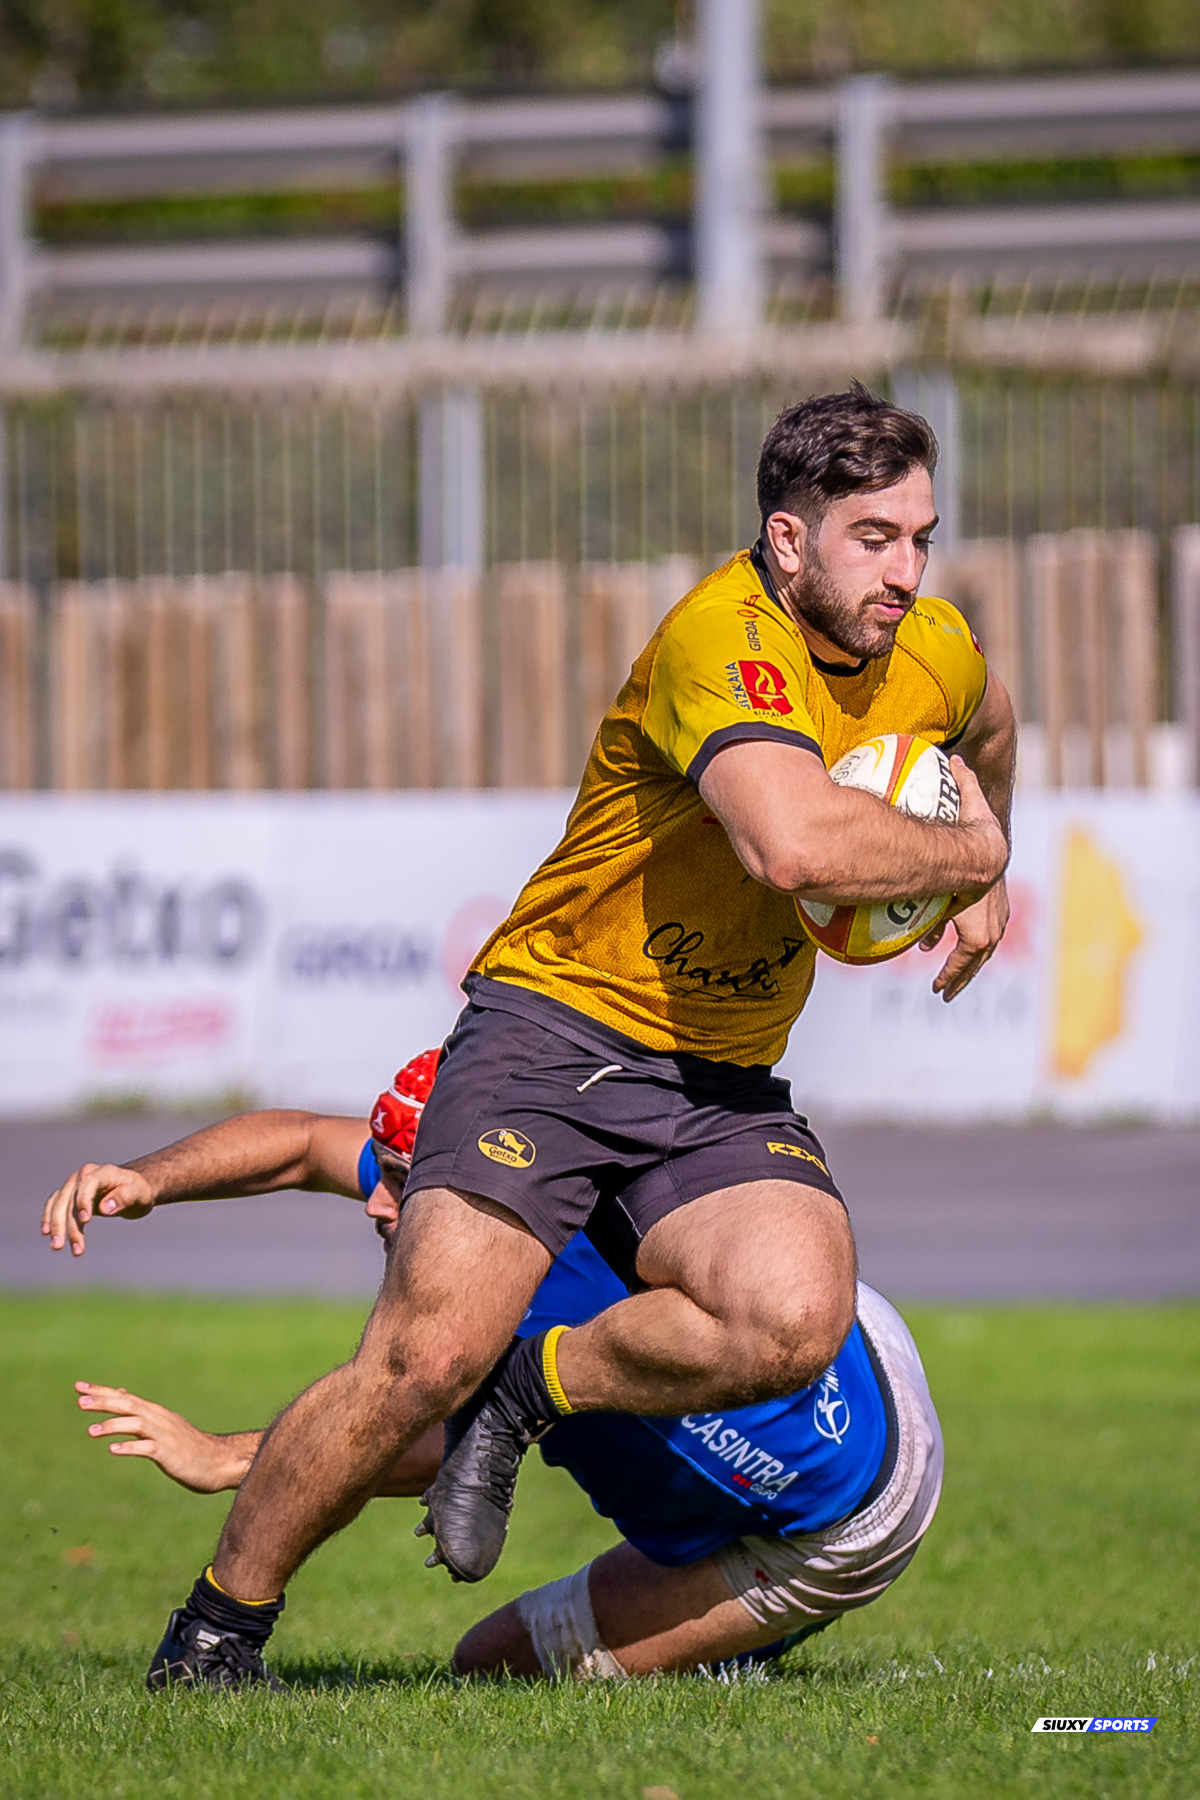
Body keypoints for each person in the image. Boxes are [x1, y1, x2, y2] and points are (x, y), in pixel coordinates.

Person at [61, 383, 1014, 1688]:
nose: (907, 572)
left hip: (715, 1076)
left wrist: (985, 879)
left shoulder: (933, 650)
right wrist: (972, 846)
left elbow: (989, 727)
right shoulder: (718, 641)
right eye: (874, 538)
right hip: (552, 1040)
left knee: (794, 1318)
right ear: (789, 541)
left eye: (922, 535)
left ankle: (528, 1390)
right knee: (417, 1359)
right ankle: (218, 1633)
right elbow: (790, 842)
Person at [47, 1070, 942, 1685]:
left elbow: (427, 1436)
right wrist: (146, 1177)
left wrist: (235, 1458)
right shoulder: (493, 1181)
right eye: (390, 1175)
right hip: (862, 1327)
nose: (376, 1203)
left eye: (401, 1182)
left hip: (846, 1515)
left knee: (495, 1665)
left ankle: (759, 1627)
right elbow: (301, 1144)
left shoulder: (538, 1256)